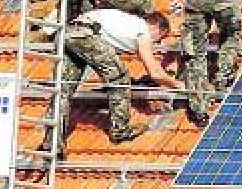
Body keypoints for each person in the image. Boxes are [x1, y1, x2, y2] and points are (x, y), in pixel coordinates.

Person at [38, 9, 180, 158]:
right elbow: (155, 72)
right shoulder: (142, 29)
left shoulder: (126, 22)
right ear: (157, 27)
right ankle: (120, 129)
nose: (155, 43)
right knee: (120, 78)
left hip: (69, 32)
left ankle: (52, 144)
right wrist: (176, 84)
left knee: (62, 91)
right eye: (158, 38)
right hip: (86, 35)